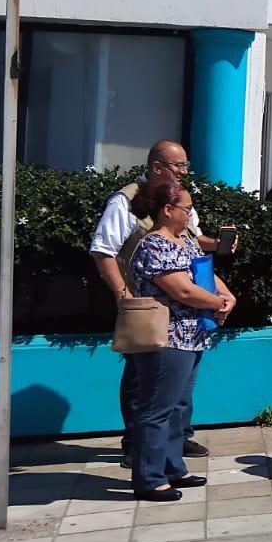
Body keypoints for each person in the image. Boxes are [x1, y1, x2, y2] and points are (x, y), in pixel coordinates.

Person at [90, 140, 227, 468]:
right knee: (142, 380)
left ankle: (175, 441)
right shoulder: (125, 201)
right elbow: (103, 251)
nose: (184, 172)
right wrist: (124, 296)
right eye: (179, 166)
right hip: (147, 306)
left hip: (184, 319)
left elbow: (193, 240)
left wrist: (218, 244)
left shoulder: (180, 201)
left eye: (185, 166)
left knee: (179, 382)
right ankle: (137, 446)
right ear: (156, 167)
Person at [126, 183, 235, 501]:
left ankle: (173, 467)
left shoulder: (184, 240)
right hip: (167, 337)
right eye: (186, 209)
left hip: (191, 336)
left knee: (176, 407)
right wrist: (217, 303)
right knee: (156, 409)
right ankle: (149, 479)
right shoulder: (154, 245)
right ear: (167, 210)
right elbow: (182, 290)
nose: (190, 214)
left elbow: (203, 273)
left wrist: (228, 296)